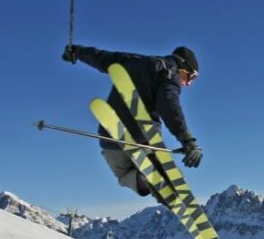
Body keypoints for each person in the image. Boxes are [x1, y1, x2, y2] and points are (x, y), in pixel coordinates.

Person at [62, 44, 203, 200]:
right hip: (141, 138)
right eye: (192, 76)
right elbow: (169, 106)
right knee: (162, 177)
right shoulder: (169, 72)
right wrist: (188, 140)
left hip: (109, 139)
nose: (188, 83)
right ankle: (157, 180)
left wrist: (76, 51)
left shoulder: (132, 60)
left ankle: (146, 179)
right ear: (184, 66)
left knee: (124, 175)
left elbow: (100, 57)